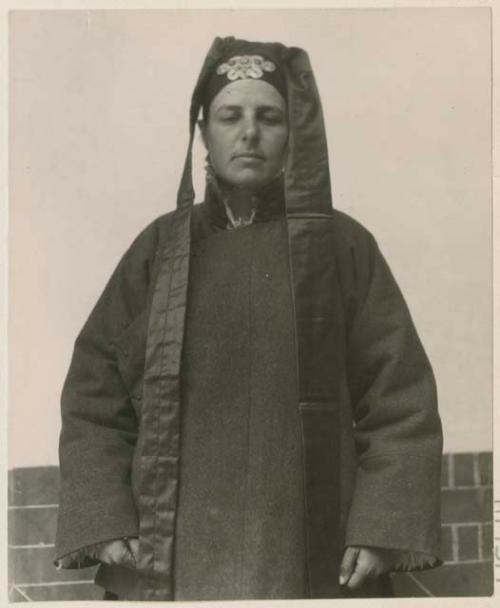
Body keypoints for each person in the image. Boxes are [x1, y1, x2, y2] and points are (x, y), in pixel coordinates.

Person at [54, 36, 443, 601]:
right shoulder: (159, 250)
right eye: (230, 116)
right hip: (173, 554)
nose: (250, 133)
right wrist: (108, 520)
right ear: (204, 132)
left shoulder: (342, 247)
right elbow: (94, 395)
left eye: (270, 117)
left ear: (295, 134)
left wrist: (382, 529)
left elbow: (400, 399)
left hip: (312, 550)